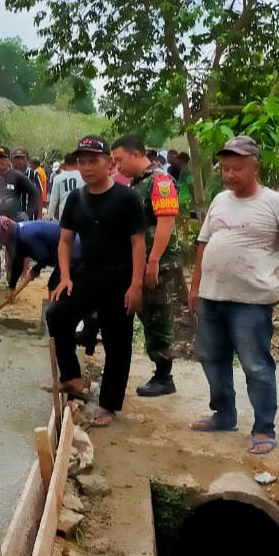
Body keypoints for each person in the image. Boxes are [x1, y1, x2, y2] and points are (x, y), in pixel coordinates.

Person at [188, 135, 279, 454]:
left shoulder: (277, 203)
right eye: (226, 168)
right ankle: (224, 414)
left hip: (252, 304)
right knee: (210, 358)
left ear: (255, 167)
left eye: (237, 168)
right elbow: (204, 244)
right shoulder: (219, 200)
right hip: (212, 297)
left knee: (256, 365)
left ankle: (263, 428)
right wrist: (195, 287)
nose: (230, 175)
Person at [46, 135, 146, 427]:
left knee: (118, 341)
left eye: (93, 161)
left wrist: (136, 285)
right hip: (88, 275)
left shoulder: (127, 198)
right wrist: (65, 276)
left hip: (120, 278)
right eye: (82, 162)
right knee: (57, 314)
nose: (87, 168)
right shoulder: (76, 198)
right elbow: (65, 241)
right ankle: (73, 378)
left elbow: (138, 244)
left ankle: (109, 404)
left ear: (108, 163)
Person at [112, 136, 183, 397]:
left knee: (157, 315)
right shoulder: (139, 183)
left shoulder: (159, 181)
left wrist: (153, 260)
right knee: (147, 313)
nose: (117, 166)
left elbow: (166, 221)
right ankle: (160, 371)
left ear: (135, 154)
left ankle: (164, 376)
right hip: (142, 261)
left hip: (159, 264)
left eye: (119, 160)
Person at [0, 216, 81, 296]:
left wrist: (36, 269)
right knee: (54, 284)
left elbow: (45, 257)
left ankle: (57, 312)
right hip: (62, 251)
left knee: (55, 285)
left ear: (4, 235)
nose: (0, 242)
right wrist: (12, 287)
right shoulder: (18, 232)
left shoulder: (26, 237)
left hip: (73, 250)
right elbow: (18, 261)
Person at [0, 146, 40, 222]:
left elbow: (35, 193)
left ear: (9, 160)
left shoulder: (17, 176)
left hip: (13, 223)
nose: (0, 161)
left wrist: (28, 213)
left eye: (3, 158)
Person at [47, 152, 83, 221]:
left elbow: (54, 199)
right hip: (80, 211)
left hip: (64, 211)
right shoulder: (83, 176)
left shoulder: (58, 178)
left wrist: (50, 215)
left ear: (65, 164)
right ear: (77, 162)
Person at [12, 148, 42, 219]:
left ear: (27, 159)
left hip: (30, 216)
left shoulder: (33, 174)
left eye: (22, 158)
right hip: (13, 216)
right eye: (17, 158)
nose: (19, 161)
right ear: (13, 160)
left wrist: (39, 216)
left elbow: (39, 196)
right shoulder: (9, 174)